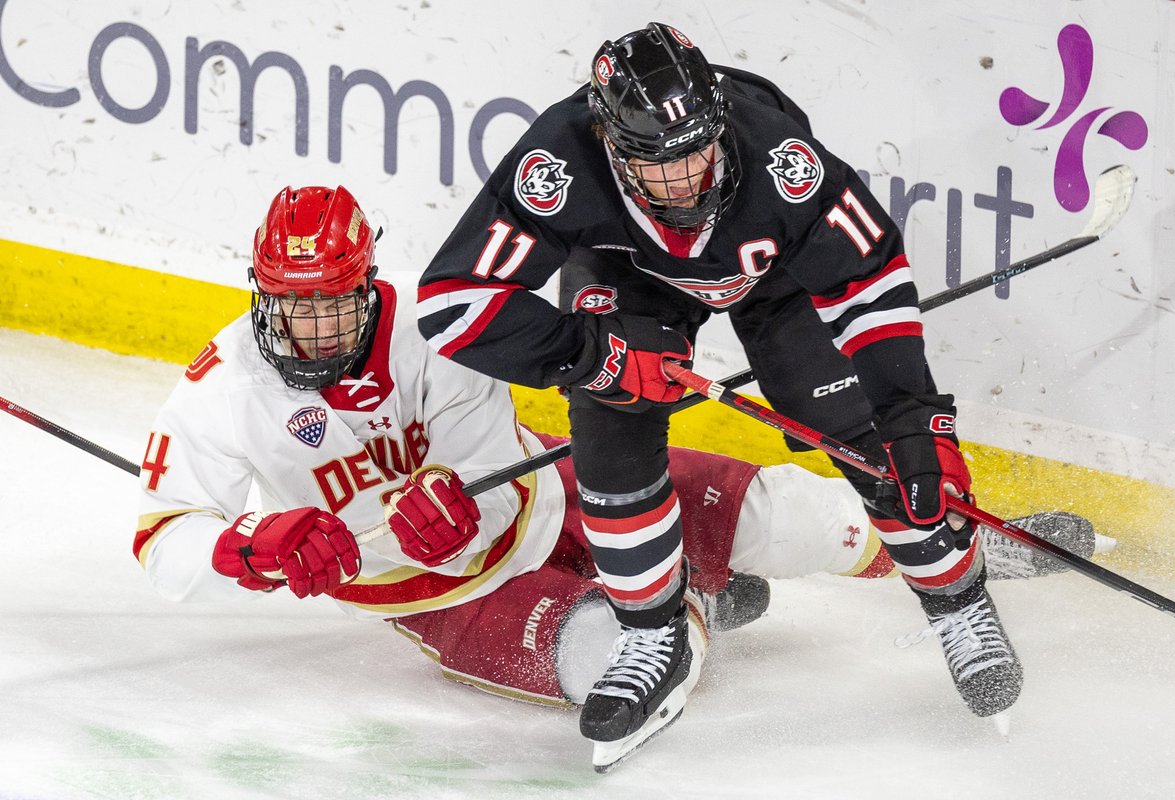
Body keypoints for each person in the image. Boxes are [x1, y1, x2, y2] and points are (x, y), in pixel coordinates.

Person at [134, 185, 1107, 771]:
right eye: (292, 307)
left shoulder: (428, 327)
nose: (313, 331)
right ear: (261, 293)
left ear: (366, 286)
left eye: (334, 306)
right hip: (447, 597)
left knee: (788, 512)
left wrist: (465, 497)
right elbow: (162, 535)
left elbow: (483, 454)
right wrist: (248, 546)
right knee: (620, 660)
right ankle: (695, 596)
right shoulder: (223, 386)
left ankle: (974, 547)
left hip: (554, 492)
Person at [415, 22, 1038, 762]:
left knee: (861, 428)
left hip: (776, 281)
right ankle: (651, 635)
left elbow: (869, 280)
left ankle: (958, 600)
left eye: (698, 152)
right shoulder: (557, 162)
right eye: (659, 164)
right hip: (627, 281)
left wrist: (911, 415)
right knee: (611, 432)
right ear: (610, 143)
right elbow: (452, 302)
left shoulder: (779, 157)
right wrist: (597, 357)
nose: (686, 179)